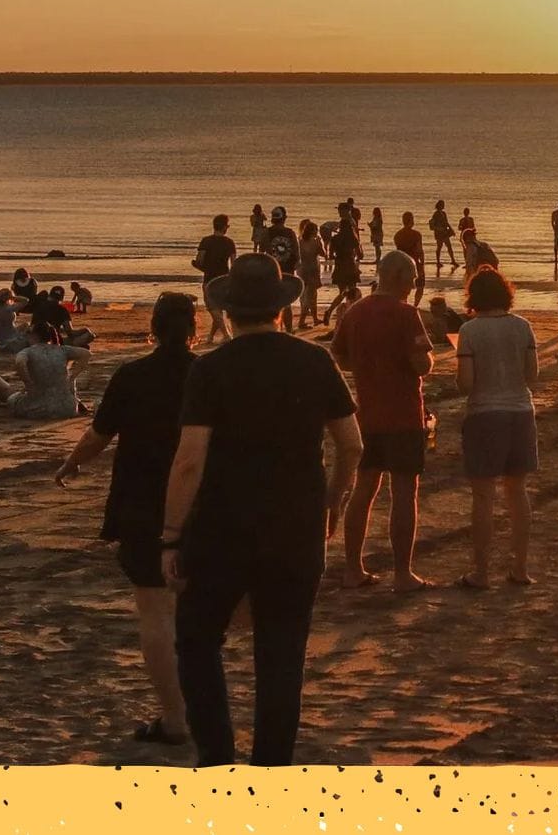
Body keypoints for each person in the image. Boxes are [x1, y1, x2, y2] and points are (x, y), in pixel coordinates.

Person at [162, 254, 362, 766]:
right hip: (295, 526)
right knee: (282, 655)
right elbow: (351, 444)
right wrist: (333, 504)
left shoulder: (211, 369)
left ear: (228, 312)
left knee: (198, 640)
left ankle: (216, 756)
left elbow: (189, 460)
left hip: (220, 528)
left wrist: (169, 535)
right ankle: (270, 765)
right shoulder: (314, 361)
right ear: (281, 309)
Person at [57, 291, 199, 747]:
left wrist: (72, 463)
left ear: (153, 330)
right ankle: (203, 707)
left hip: (143, 504)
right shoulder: (209, 375)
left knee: (155, 611)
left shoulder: (133, 375)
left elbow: (100, 433)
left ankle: (176, 717)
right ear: (194, 329)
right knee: (199, 612)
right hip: (203, 504)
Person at [327, 250, 436, 590]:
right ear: (400, 276)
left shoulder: (355, 312)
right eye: (414, 277)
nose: (415, 283)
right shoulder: (406, 314)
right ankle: (403, 573)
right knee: (404, 491)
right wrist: (422, 359)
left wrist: (366, 367)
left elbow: (339, 355)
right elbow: (422, 365)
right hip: (403, 414)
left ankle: (352, 568)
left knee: (364, 489)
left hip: (367, 414)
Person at [455, 266, 540, 590]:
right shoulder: (523, 327)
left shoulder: (470, 331)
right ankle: (519, 567)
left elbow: (466, 383)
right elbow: (531, 376)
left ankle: (481, 571)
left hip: (485, 413)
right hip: (520, 411)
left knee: (483, 496)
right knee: (517, 493)